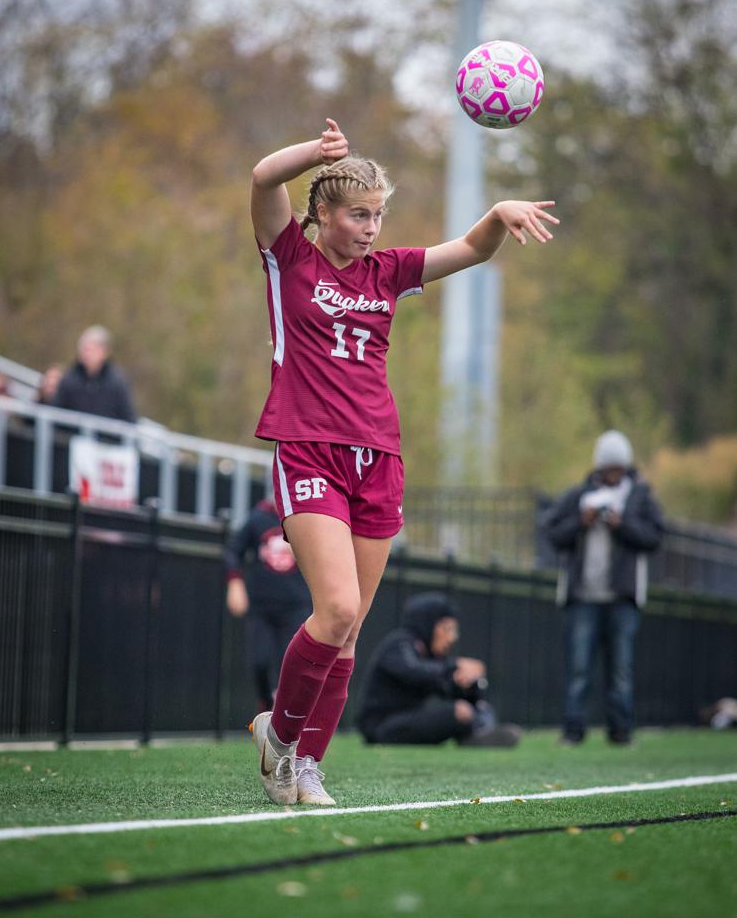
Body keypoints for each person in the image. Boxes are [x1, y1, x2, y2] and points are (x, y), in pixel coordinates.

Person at [248, 117, 558, 806]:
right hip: (307, 447)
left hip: (378, 456)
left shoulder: (388, 272)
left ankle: (306, 765)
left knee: (351, 630)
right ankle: (280, 737)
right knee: (335, 608)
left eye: (379, 215)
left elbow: (473, 249)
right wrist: (316, 153)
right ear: (323, 213)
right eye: (359, 214)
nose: (371, 227)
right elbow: (264, 176)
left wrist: (498, 215)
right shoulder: (290, 256)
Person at [544, 429, 665, 745]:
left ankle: (621, 730)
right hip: (582, 595)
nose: (613, 474)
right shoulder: (578, 495)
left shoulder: (639, 496)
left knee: (621, 670)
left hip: (622, 597)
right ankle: (573, 730)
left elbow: (654, 537)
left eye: (618, 468)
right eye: (608, 468)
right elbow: (552, 532)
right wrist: (580, 522)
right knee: (578, 668)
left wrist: (621, 525)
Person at [356, 592, 521, 748]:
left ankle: (478, 735)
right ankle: (471, 736)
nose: (452, 637)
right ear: (428, 623)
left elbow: (446, 686)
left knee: (480, 708)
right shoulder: (399, 643)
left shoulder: (432, 655)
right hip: (382, 727)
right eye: (447, 629)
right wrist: (455, 667)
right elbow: (413, 670)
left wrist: (468, 684)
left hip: (409, 720)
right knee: (459, 711)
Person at [225, 499, 311, 713]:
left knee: (293, 666)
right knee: (259, 661)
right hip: (261, 607)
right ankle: (266, 702)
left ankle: (288, 714)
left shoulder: (306, 518)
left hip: (295, 605)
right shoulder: (258, 518)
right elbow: (233, 550)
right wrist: (235, 582)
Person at [54, 326, 136, 423]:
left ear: (104, 352)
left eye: (91, 350)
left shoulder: (117, 382)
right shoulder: (69, 378)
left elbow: (128, 417)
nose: (86, 354)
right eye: (84, 349)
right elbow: (56, 411)